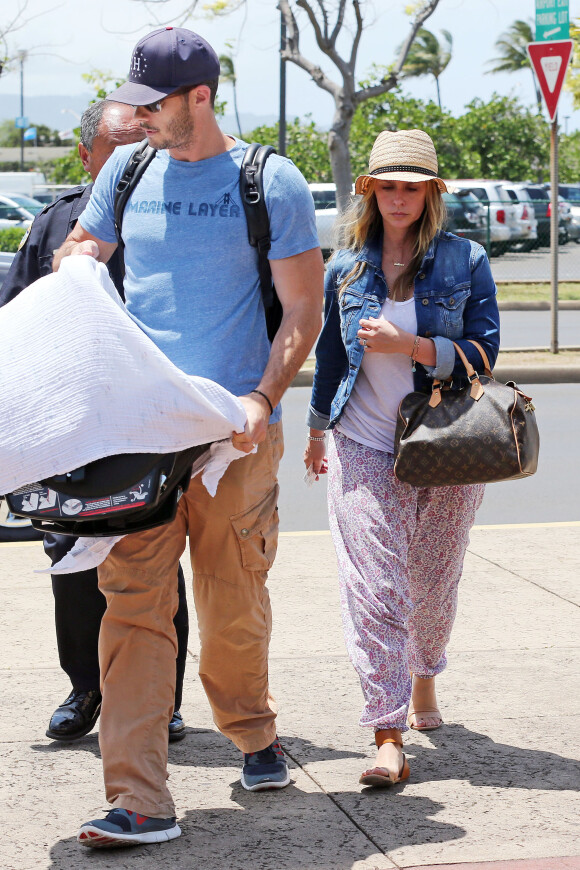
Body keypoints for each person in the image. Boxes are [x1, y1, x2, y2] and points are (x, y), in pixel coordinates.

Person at [51, 27, 323, 848]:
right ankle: (139, 799)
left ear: (200, 97)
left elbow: (303, 312)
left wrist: (262, 398)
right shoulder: (129, 170)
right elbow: (85, 244)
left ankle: (252, 727)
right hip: (142, 430)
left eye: (154, 105)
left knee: (230, 599)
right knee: (132, 605)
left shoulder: (268, 180)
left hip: (232, 433)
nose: (138, 119)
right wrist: (76, 263)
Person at [304, 129, 500, 788]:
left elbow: (484, 353)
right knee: (375, 589)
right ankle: (387, 733)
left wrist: (411, 346)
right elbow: (331, 357)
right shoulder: (346, 267)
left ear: (429, 194)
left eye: (410, 186)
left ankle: (424, 678)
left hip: (445, 441)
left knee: (433, 586)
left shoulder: (465, 260)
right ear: (370, 191)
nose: (398, 197)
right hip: (360, 442)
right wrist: (313, 430)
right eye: (387, 185)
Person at [0, 100, 190, 744]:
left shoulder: (171, 219)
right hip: (69, 426)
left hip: (147, 424)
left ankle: (162, 699)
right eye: (117, 145)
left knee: (156, 558)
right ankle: (86, 689)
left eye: (143, 143)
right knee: (73, 560)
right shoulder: (54, 225)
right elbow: (19, 319)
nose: (132, 157)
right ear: (87, 156)